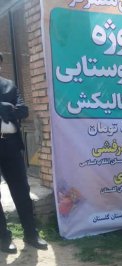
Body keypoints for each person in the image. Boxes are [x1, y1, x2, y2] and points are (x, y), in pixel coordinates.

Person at [0, 52, 47, 253]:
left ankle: (31, 234)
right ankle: (3, 238)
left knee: (21, 190)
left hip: (10, 145)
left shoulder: (9, 85)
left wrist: (7, 108)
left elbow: (23, 110)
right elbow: (14, 110)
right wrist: (5, 106)